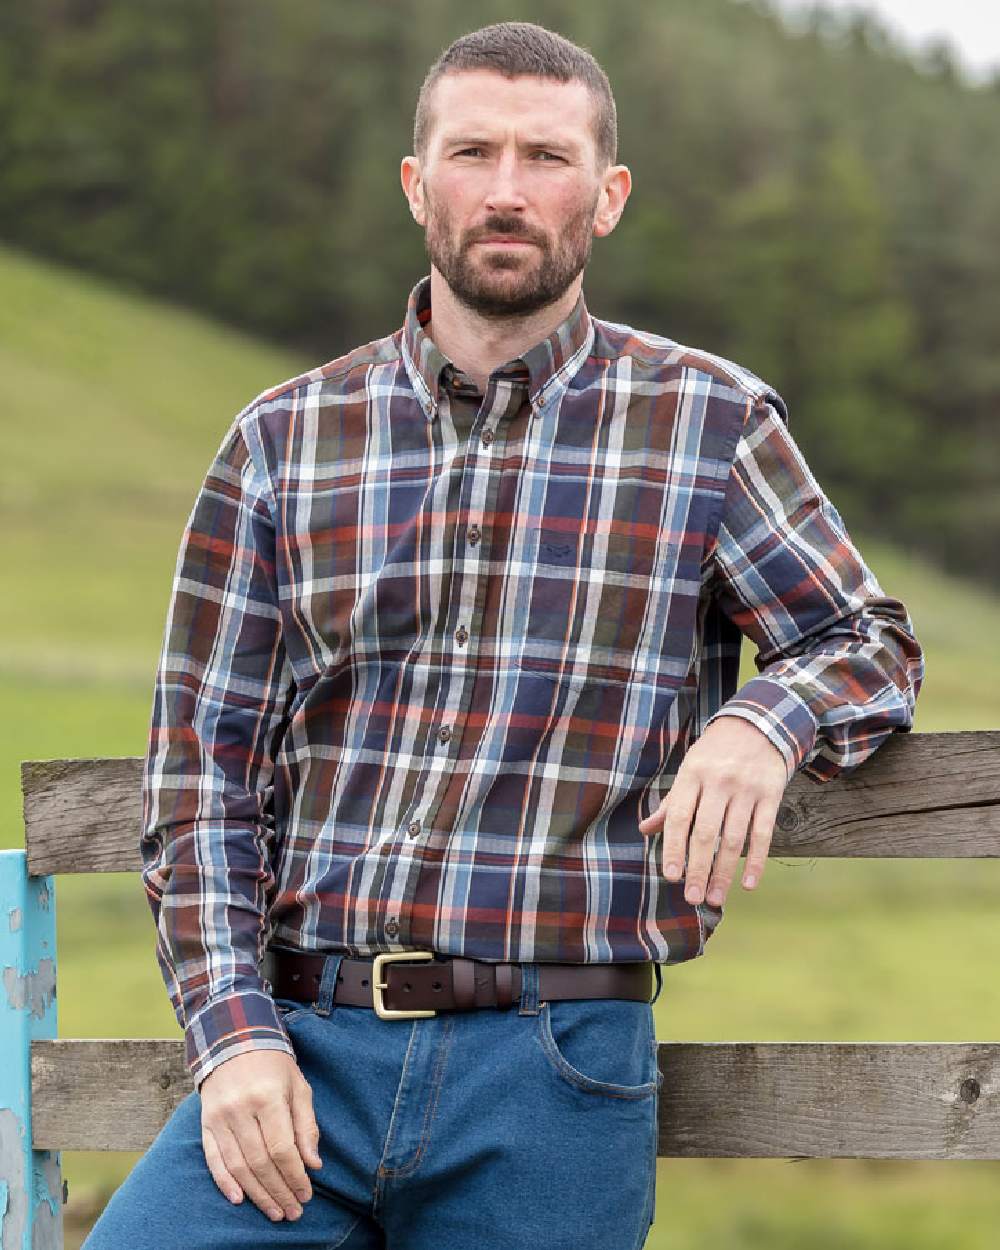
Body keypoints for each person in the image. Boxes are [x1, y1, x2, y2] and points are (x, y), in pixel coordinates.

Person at [83, 19, 924, 1250]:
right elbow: (201, 771)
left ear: (608, 195)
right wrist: (233, 1037)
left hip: (555, 1066)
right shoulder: (282, 440)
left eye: (548, 156)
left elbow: (867, 640)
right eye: (474, 152)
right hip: (302, 1052)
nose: (510, 189)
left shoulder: (707, 423)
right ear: (419, 184)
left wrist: (765, 717)